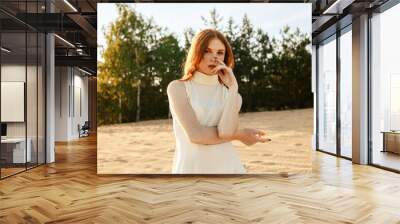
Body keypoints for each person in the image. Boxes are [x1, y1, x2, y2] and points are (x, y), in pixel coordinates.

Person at [167, 29, 270, 174]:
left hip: (229, 170)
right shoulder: (178, 88)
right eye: (207, 51)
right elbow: (196, 135)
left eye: (220, 52)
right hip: (190, 171)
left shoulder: (234, 96)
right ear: (196, 52)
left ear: (225, 57)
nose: (214, 57)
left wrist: (233, 87)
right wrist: (241, 135)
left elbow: (226, 132)